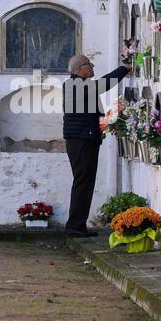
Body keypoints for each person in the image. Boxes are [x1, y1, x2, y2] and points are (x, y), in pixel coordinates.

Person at [62, 53, 131, 236]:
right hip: (80, 141)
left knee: (86, 182)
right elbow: (104, 84)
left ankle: (78, 225)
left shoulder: (80, 85)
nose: (92, 66)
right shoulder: (75, 85)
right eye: (88, 64)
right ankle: (74, 227)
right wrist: (125, 68)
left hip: (86, 139)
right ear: (79, 69)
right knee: (83, 182)